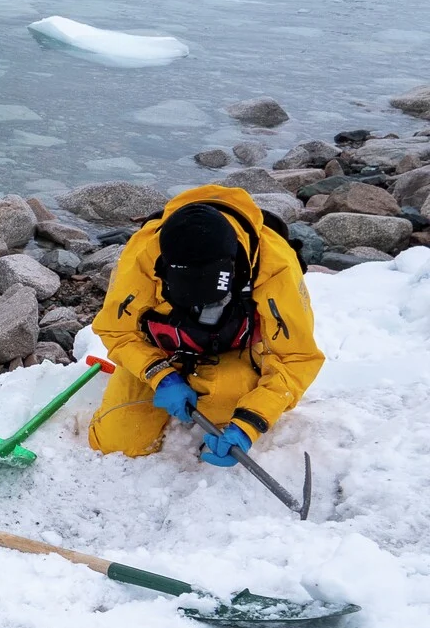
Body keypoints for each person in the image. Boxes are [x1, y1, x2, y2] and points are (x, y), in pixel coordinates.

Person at [88, 185, 324, 464]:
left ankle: (223, 401)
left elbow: (297, 357)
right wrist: (158, 374)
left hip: (232, 356)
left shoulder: (276, 265)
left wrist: (250, 423)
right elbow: (116, 330)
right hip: (163, 353)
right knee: (117, 442)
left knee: (224, 408)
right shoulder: (142, 254)